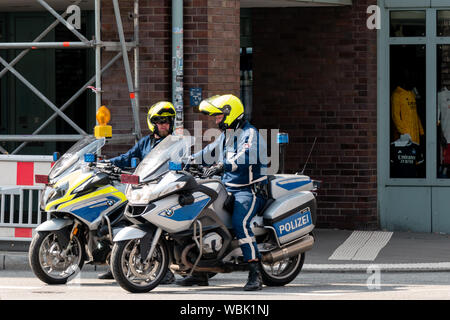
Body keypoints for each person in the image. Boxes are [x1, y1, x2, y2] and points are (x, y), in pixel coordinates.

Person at [175, 94, 268, 291]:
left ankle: (255, 272)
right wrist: (187, 160)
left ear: (230, 113)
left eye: (219, 116)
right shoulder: (227, 135)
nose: (217, 120)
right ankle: (200, 271)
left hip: (248, 190)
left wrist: (221, 166)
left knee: (240, 223)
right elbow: (208, 151)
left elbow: (246, 157)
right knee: (201, 218)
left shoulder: (250, 134)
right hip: (227, 188)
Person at [98, 101, 177, 284]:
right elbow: (127, 157)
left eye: (168, 121)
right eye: (160, 120)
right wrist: (107, 163)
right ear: (153, 123)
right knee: (112, 220)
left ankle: (164, 270)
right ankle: (118, 264)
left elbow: (182, 164)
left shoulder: (175, 143)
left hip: (164, 193)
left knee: (158, 227)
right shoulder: (146, 142)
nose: (164, 124)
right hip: (143, 192)